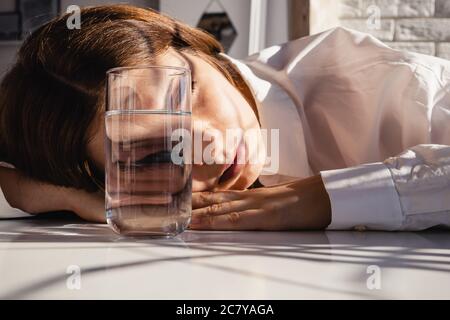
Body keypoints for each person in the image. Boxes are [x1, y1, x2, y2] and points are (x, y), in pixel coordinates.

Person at [0, 5, 449, 231]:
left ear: (201, 50)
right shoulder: (120, 189)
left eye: (187, 92)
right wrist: (56, 195)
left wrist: (325, 198)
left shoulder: (390, 86)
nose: (206, 147)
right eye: (151, 156)